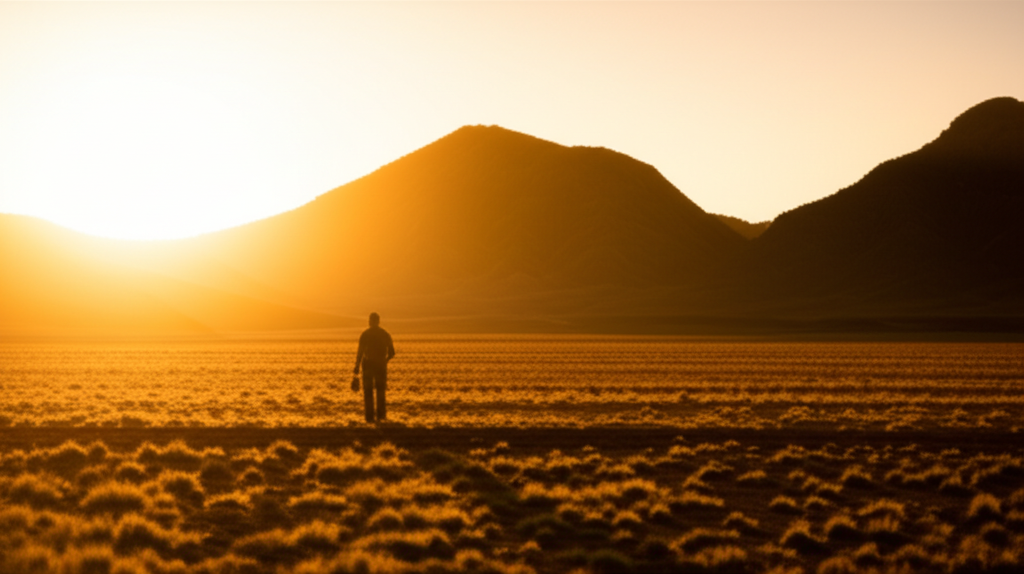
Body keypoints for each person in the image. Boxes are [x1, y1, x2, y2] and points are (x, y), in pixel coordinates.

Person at [354, 312, 395, 423]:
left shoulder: (365, 334)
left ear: (371, 321)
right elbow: (392, 353)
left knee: (368, 392)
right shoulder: (385, 334)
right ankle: (381, 416)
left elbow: (360, 352)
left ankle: (369, 418)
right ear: (378, 321)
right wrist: (384, 361)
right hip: (380, 366)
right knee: (380, 391)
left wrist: (356, 366)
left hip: (367, 365)